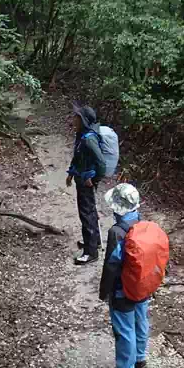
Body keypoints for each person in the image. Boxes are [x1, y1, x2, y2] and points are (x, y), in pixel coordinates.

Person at [98, 183, 149, 368]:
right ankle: (140, 358)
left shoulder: (117, 232)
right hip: (142, 285)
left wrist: (105, 292)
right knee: (141, 320)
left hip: (123, 290)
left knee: (124, 328)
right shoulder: (141, 223)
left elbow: (111, 265)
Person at [66, 104, 107, 265]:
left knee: (86, 215)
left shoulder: (89, 139)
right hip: (80, 179)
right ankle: (94, 241)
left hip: (86, 182)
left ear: (83, 120)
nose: (73, 119)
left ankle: (91, 253)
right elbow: (77, 156)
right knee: (89, 211)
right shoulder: (81, 135)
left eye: (76, 117)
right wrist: (70, 173)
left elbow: (101, 164)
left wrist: (94, 179)